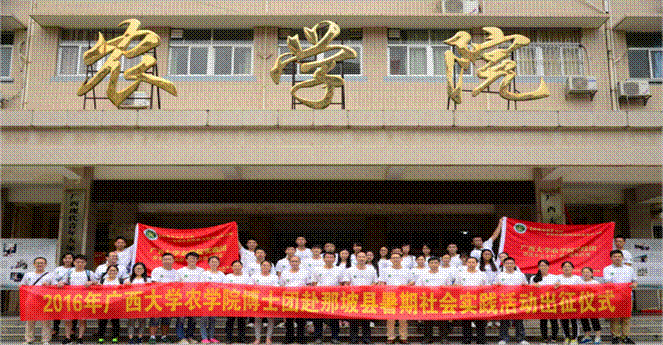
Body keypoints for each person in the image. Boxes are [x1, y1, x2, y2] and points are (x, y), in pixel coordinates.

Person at [58, 254, 96, 344]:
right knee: (68, 319)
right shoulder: (70, 272)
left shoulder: (89, 273)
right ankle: (67, 337)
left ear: (85, 263)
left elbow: (97, 283)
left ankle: (80, 337)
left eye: (82, 262)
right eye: (78, 262)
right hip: (70, 299)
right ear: (74, 262)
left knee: (82, 319)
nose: (80, 263)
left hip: (84, 299)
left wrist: (91, 282)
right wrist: (61, 283)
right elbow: (64, 281)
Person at [378, 252, 414, 344]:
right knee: (390, 318)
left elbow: (412, 282)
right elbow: (382, 282)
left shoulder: (407, 270)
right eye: (393, 258)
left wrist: (405, 285)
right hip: (390, 296)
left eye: (397, 258)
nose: (395, 259)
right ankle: (391, 337)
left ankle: (403, 337)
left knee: (403, 318)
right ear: (390, 260)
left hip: (403, 296)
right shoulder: (386, 270)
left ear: (401, 259)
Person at [311, 252, 346, 344]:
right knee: (318, 318)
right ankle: (318, 337)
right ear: (323, 259)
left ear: (334, 259)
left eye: (331, 257)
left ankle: (335, 337)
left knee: (334, 318)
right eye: (327, 257)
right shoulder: (317, 270)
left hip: (334, 297)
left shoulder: (339, 270)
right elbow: (314, 283)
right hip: (320, 297)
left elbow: (341, 283)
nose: (329, 259)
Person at [602, 250, 637, 344]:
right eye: (615, 256)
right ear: (611, 258)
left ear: (622, 258)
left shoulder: (630, 269)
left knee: (626, 317)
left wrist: (634, 285)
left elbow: (635, 281)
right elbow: (607, 282)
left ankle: (626, 336)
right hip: (614, 297)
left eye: (619, 256)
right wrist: (620, 288)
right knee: (614, 317)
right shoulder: (607, 269)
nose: (617, 258)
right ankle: (615, 336)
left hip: (627, 297)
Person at [416, 257, 452, 344]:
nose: (434, 264)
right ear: (428, 264)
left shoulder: (445, 274)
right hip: (428, 300)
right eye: (431, 263)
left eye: (435, 263)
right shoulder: (423, 275)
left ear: (439, 264)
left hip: (441, 300)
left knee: (443, 320)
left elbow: (449, 287)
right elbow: (418, 287)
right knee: (428, 320)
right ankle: (428, 338)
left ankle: (443, 338)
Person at [344, 252, 377, 344]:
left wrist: (367, 289)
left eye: (363, 257)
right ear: (356, 258)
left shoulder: (372, 270)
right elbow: (346, 283)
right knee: (353, 319)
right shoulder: (350, 270)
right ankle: (353, 338)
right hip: (354, 297)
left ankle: (366, 339)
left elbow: (375, 282)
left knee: (366, 319)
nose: (361, 258)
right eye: (359, 257)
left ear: (366, 258)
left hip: (367, 297)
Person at [149, 253, 182, 344]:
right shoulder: (157, 270)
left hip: (170, 299)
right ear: (162, 260)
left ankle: (164, 336)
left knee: (167, 319)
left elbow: (176, 286)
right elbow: (154, 284)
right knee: (155, 318)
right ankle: (152, 337)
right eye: (165, 259)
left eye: (169, 259)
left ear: (173, 261)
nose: (167, 261)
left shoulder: (176, 272)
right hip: (158, 299)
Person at [495, 257, 529, 345]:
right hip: (504, 301)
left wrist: (525, 285)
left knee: (519, 321)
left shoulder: (520, 275)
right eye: (507, 263)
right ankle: (503, 339)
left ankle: (521, 339)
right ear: (504, 265)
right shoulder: (500, 275)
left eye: (511, 263)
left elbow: (526, 286)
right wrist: (496, 285)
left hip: (517, 302)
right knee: (504, 321)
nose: (509, 265)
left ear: (514, 265)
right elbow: (494, 288)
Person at [455, 256, 488, 345]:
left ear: (477, 264)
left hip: (479, 301)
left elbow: (487, 287)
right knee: (466, 322)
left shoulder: (482, 274)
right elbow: (456, 286)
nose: (471, 264)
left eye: (473, 262)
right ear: (466, 263)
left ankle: (481, 340)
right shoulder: (461, 274)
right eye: (469, 262)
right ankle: (466, 340)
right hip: (465, 301)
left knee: (480, 322)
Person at [22, 257, 54, 345]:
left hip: (45, 301)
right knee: (30, 321)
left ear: (45, 264)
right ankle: (29, 339)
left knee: (46, 321)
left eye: (42, 263)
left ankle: (45, 340)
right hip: (31, 300)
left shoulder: (50, 275)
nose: (40, 264)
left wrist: (48, 286)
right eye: (38, 263)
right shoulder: (28, 275)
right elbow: (22, 286)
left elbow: (55, 287)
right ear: (34, 264)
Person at [279, 256, 310, 344]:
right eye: (292, 261)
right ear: (289, 263)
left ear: (299, 262)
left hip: (301, 299)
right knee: (289, 320)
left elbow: (309, 285)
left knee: (301, 320)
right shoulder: (284, 273)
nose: (294, 263)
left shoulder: (305, 272)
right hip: (288, 299)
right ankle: (289, 338)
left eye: (296, 261)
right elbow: (281, 286)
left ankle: (301, 338)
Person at [177, 252, 205, 344]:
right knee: (181, 318)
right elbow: (177, 285)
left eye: (194, 258)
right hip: (183, 298)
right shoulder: (180, 271)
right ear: (186, 259)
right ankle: (181, 338)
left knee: (192, 319)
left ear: (197, 260)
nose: (192, 260)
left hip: (195, 299)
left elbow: (203, 284)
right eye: (190, 258)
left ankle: (190, 337)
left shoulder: (201, 271)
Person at [530, 260, 560, 344]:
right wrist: (533, 286)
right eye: (541, 265)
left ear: (548, 266)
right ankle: (545, 338)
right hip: (541, 302)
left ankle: (554, 338)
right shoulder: (534, 278)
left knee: (554, 321)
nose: (543, 267)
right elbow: (529, 290)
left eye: (545, 265)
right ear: (538, 267)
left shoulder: (554, 277)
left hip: (552, 302)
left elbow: (560, 288)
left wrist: (558, 285)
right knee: (543, 321)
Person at [96, 265, 127, 344]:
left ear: (117, 272)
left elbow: (126, 290)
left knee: (115, 322)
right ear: (107, 271)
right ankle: (101, 338)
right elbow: (98, 291)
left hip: (116, 304)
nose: (112, 272)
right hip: (104, 304)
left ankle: (115, 338)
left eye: (114, 271)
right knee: (102, 322)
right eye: (110, 270)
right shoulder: (102, 280)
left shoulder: (120, 281)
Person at [224, 260, 252, 343]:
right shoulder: (228, 277)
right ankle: (229, 338)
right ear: (232, 267)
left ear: (241, 267)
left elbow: (249, 288)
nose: (237, 267)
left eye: (238, 266)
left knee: (242, 321)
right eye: (235, 266)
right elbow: (225, 288)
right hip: (231, 301)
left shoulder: (246, 277)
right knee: (230, 321)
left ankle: (241, 338)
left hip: (243, 302)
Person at [252, 261, 279, 345]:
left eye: (267, 265)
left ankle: (268, 338)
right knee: (257, 320)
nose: (265, 267)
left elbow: (276, 288)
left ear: (271, 267)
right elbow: (250, 287)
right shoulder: (254, 276)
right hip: (258, 301)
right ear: (260, 266)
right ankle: (257, 338)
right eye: (263, 265)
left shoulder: (274, 277)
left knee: (270, 319)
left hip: (270, 301)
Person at [200, 256, 225, 344]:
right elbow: (201, 286)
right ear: (209, 263)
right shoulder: (204, 274)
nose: (214, 263)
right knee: (204, 319)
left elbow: (224, 287)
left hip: (216, 300)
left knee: (213, 319)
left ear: (218, 263)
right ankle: (204, 337)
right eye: (212, 261)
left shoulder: (221, 274)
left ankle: (211, 336)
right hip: (206, 299)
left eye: (216, 262)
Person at [557, 261, 583, 345]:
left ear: (572, 268)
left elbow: (582, 289)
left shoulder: (577, 278)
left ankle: (575, 338)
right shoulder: (558, 278)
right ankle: (567, 337)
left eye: (569, 266)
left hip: (574, 303)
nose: (567, 268)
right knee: (564, 321)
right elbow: (553, 288)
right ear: (562, 268)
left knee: (574, 321)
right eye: (565, 266)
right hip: (562, 303)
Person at [52, 253, 75, 339]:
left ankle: (72, 329)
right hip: (59, 292)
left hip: (71, 293)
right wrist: (57, 284)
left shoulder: (74, 269)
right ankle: (55, 329)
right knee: (57, 310)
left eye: (70, 258)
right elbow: (53, 279)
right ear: (63, 259)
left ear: (73, 260)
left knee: (72, 310)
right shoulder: (58, 269)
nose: (68, 260)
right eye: (66, 258)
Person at [127, 262, 150, 344]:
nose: (139, 270)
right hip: (131, 303)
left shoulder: (148, 280)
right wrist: (126, 285)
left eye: (141, 268)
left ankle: (140, 337)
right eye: (137, 268)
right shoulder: (129, 280)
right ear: (133, 270)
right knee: (131, 322)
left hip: (143, 304)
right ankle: (131, 338)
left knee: (142, 322)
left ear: (144, 270)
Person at [579, 267, 602, 344]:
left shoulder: (596, 283)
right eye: (584, 272)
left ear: (592, 273)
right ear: (582, 274)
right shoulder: (579, 283)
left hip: (593, 305)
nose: (586, 274)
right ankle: (587, 337)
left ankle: (598, 337)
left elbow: (600, 294)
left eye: (588, 272)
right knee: (584, 321)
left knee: (594, 320)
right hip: (583, 305)